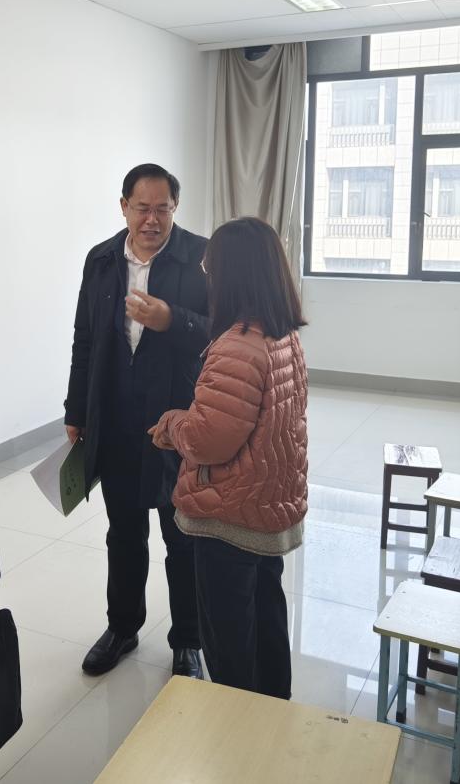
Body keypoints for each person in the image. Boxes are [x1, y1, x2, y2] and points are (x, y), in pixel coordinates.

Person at [150, 217, 309, 700]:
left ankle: (236, 724)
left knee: (229, 639)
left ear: (232, 274)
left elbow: (209, 441)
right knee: (266, 617)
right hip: (265, 507)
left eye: (210, 268)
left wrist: (172, 424)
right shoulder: (283, 335)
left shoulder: (237, 345)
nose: (207, 278)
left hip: (229, 517)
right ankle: (272, 713)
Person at [64, 164, 208, 679]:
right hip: (117, 416)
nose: (152, 220)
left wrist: (173, 320)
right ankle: (122, 627)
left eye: (162, 209)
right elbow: (84, 337)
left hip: (178, 422)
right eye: (142, 208)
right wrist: (76, 409)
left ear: (175, 208)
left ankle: (188, 640)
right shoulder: (101, 259)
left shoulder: (201, 258)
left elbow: (223, 334)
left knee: (182, 535)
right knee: (123, 532)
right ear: (123, 206)